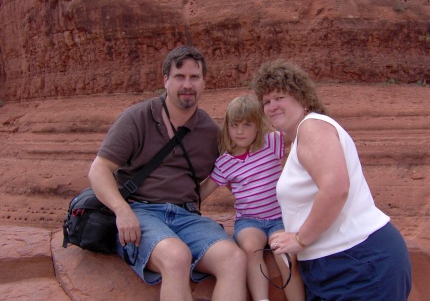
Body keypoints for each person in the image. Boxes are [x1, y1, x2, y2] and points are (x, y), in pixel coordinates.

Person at [88, 45, 247, 301]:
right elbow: (99, 169)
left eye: (194, 77)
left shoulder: (209, 131)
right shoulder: (137, 118)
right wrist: (121, 210)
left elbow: (239, 172)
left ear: (204, 83)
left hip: (187, 216)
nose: (187, 85)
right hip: (140, 213)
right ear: (166, 80)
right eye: (179, 77)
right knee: (176, 257)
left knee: (234, 259)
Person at [251, 60, 412, 300]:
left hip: (357, 262)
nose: (272, 106)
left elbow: (336, 189)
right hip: (333, 265)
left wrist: (299, 239)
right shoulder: (301, 137)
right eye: (266, 101)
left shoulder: (312, 127)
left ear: (302, 97)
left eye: (280, 97)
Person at [201, 95, 305, 301]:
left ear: (258, 125)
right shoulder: (225, 162)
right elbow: (203, 191)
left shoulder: (272, 142)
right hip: (249, 220)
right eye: (234, 125)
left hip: (279, 217)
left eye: (247, 125)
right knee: (250, 248)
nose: (240, 131)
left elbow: (300, 134)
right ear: (227, 127)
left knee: (284, 253)